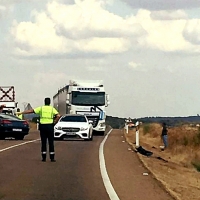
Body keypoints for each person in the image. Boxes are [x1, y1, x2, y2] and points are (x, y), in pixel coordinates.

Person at [16, 98, 60, 162]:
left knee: (43, 141)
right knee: (51, 142)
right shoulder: (52, 109)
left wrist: (21, 112)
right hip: (50, 126)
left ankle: (44, 157)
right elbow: (58, 115)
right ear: (49, 102)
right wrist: (54, 122)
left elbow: (31, 111)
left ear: (44, 102)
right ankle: (52, 157)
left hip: (43, 126)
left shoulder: (41, 108)